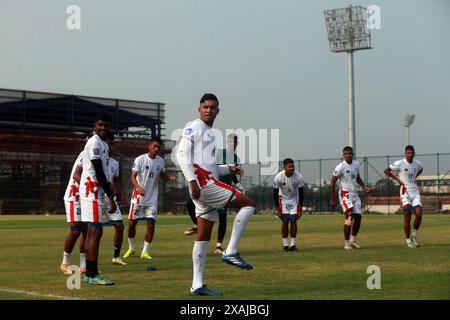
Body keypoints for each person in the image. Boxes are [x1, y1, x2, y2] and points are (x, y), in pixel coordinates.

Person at [176, 93, 255, 297]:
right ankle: (230, 251)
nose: (209, 110)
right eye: (205, 107)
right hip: (204, 185)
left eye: (213, 107)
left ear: (218, 111)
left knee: (203, 237)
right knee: (248, 204)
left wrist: (229, 168)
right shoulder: (194, 126)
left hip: (204, 183)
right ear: (199, 109)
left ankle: (197, 285)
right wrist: (192, 180)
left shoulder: (210, 133)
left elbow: (209, 167)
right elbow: (181, 154)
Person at [122, 138, 176, 260]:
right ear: (149, 146)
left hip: (152, 199)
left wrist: (169, 178)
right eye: (154, 146)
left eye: (158, 147)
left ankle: (145, 251)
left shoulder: (161, 161)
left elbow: (162, 176)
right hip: (138, 197)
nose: (156, 149)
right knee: (132, 223)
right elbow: (133, 177)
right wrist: (138, 188)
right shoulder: (140, 159)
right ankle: (131, 248)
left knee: (151, 223)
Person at [79, 113, 116, 285]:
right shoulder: (94, 142)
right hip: (91, 190)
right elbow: (98, 171)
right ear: (95, 124)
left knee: (95, 231)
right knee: (95, 231)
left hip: (96, 191)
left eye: (106, 125)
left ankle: (89, 272)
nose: (103, 128)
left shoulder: (103, 144)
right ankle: (92, 275)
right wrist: (110, 196)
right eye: (100, 124)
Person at [330, 146, 372, 250]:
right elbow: (332, 182)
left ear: (352, 154)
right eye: (346, 154)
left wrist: (364, 187)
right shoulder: (340, 167)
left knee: (358, 217)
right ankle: (346, 243)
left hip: (355, 194)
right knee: (349, 216)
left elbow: (357, 177)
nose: (348, 155)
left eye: (350, 153)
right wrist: (332, 198)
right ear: (343, 155)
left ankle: (353, 241)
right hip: (345, 193)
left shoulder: (356, 164)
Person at [384, 145, 423, 248]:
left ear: (414, 153)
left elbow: (421, 169)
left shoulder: (417, 163)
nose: (410, 155)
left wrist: (415, 176)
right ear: (405, 154)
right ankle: (408, 240)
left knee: (419, 214)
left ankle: (414, 236)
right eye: (408, 153)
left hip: (415, 191)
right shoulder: (400, 163)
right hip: (405, 191)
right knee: (407, 214)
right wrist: (396, 178)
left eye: (411, 153)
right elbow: (386, 170)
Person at [213, 134, 245, 254]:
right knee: (207, 217)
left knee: (223, 217)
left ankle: (218, 246)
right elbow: (215, 168)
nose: (233, 144)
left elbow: (232, 174)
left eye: (235, 142)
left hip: (225, 191)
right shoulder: (221, 153)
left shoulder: (236, 158)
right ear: (227, 142)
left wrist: (238, 185)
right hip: (214, 188)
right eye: (231, 141)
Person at [60, 151, 87, 275]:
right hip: (74, 196)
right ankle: (65, 263)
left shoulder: (105, 158)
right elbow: (77, 175)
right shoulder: (87, 153)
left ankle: (84, 265)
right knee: (76, 230)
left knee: (87, 231)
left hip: (86, 197)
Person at [104, 132, 127, 266]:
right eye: (108, 143)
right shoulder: (94, 158)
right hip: (96, 197)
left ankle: (116, 257)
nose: (110, 146)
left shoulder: (114, 163)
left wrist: (121, 194)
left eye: (112, 144)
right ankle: (86, 262)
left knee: (119, 226)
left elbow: (115, 181)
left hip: (110, 199)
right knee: (92, 230)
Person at [273, 158, 304, 252]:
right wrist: (278, 208)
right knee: (285, 221)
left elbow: (302, 193)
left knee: (294, 221)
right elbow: (274, 194)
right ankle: (285, 245)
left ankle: (293, 245)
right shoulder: (278, 177)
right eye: (289, 166)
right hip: (283, 198)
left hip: (295, 198)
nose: (292, 168)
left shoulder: (299, 176)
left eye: (293, 166)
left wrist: (299, 208)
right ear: (284, 167)